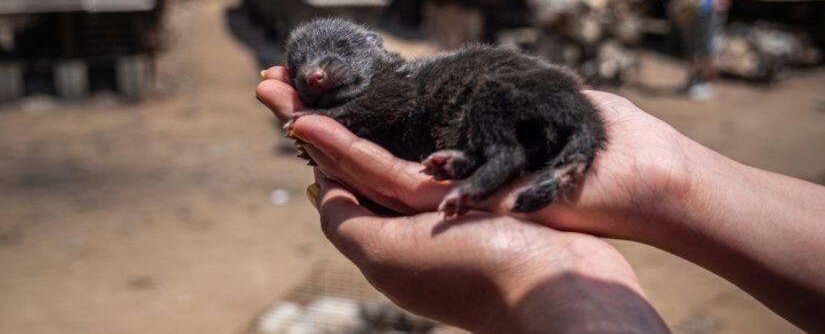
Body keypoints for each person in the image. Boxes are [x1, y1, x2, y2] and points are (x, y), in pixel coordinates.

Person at [257, 66, 825, 333]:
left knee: (489, 125)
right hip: (542, 118)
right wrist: (673, 177)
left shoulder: (421, 86)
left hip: (518, 110)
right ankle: (483, 163)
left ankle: (484, 169)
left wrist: (530, 292)